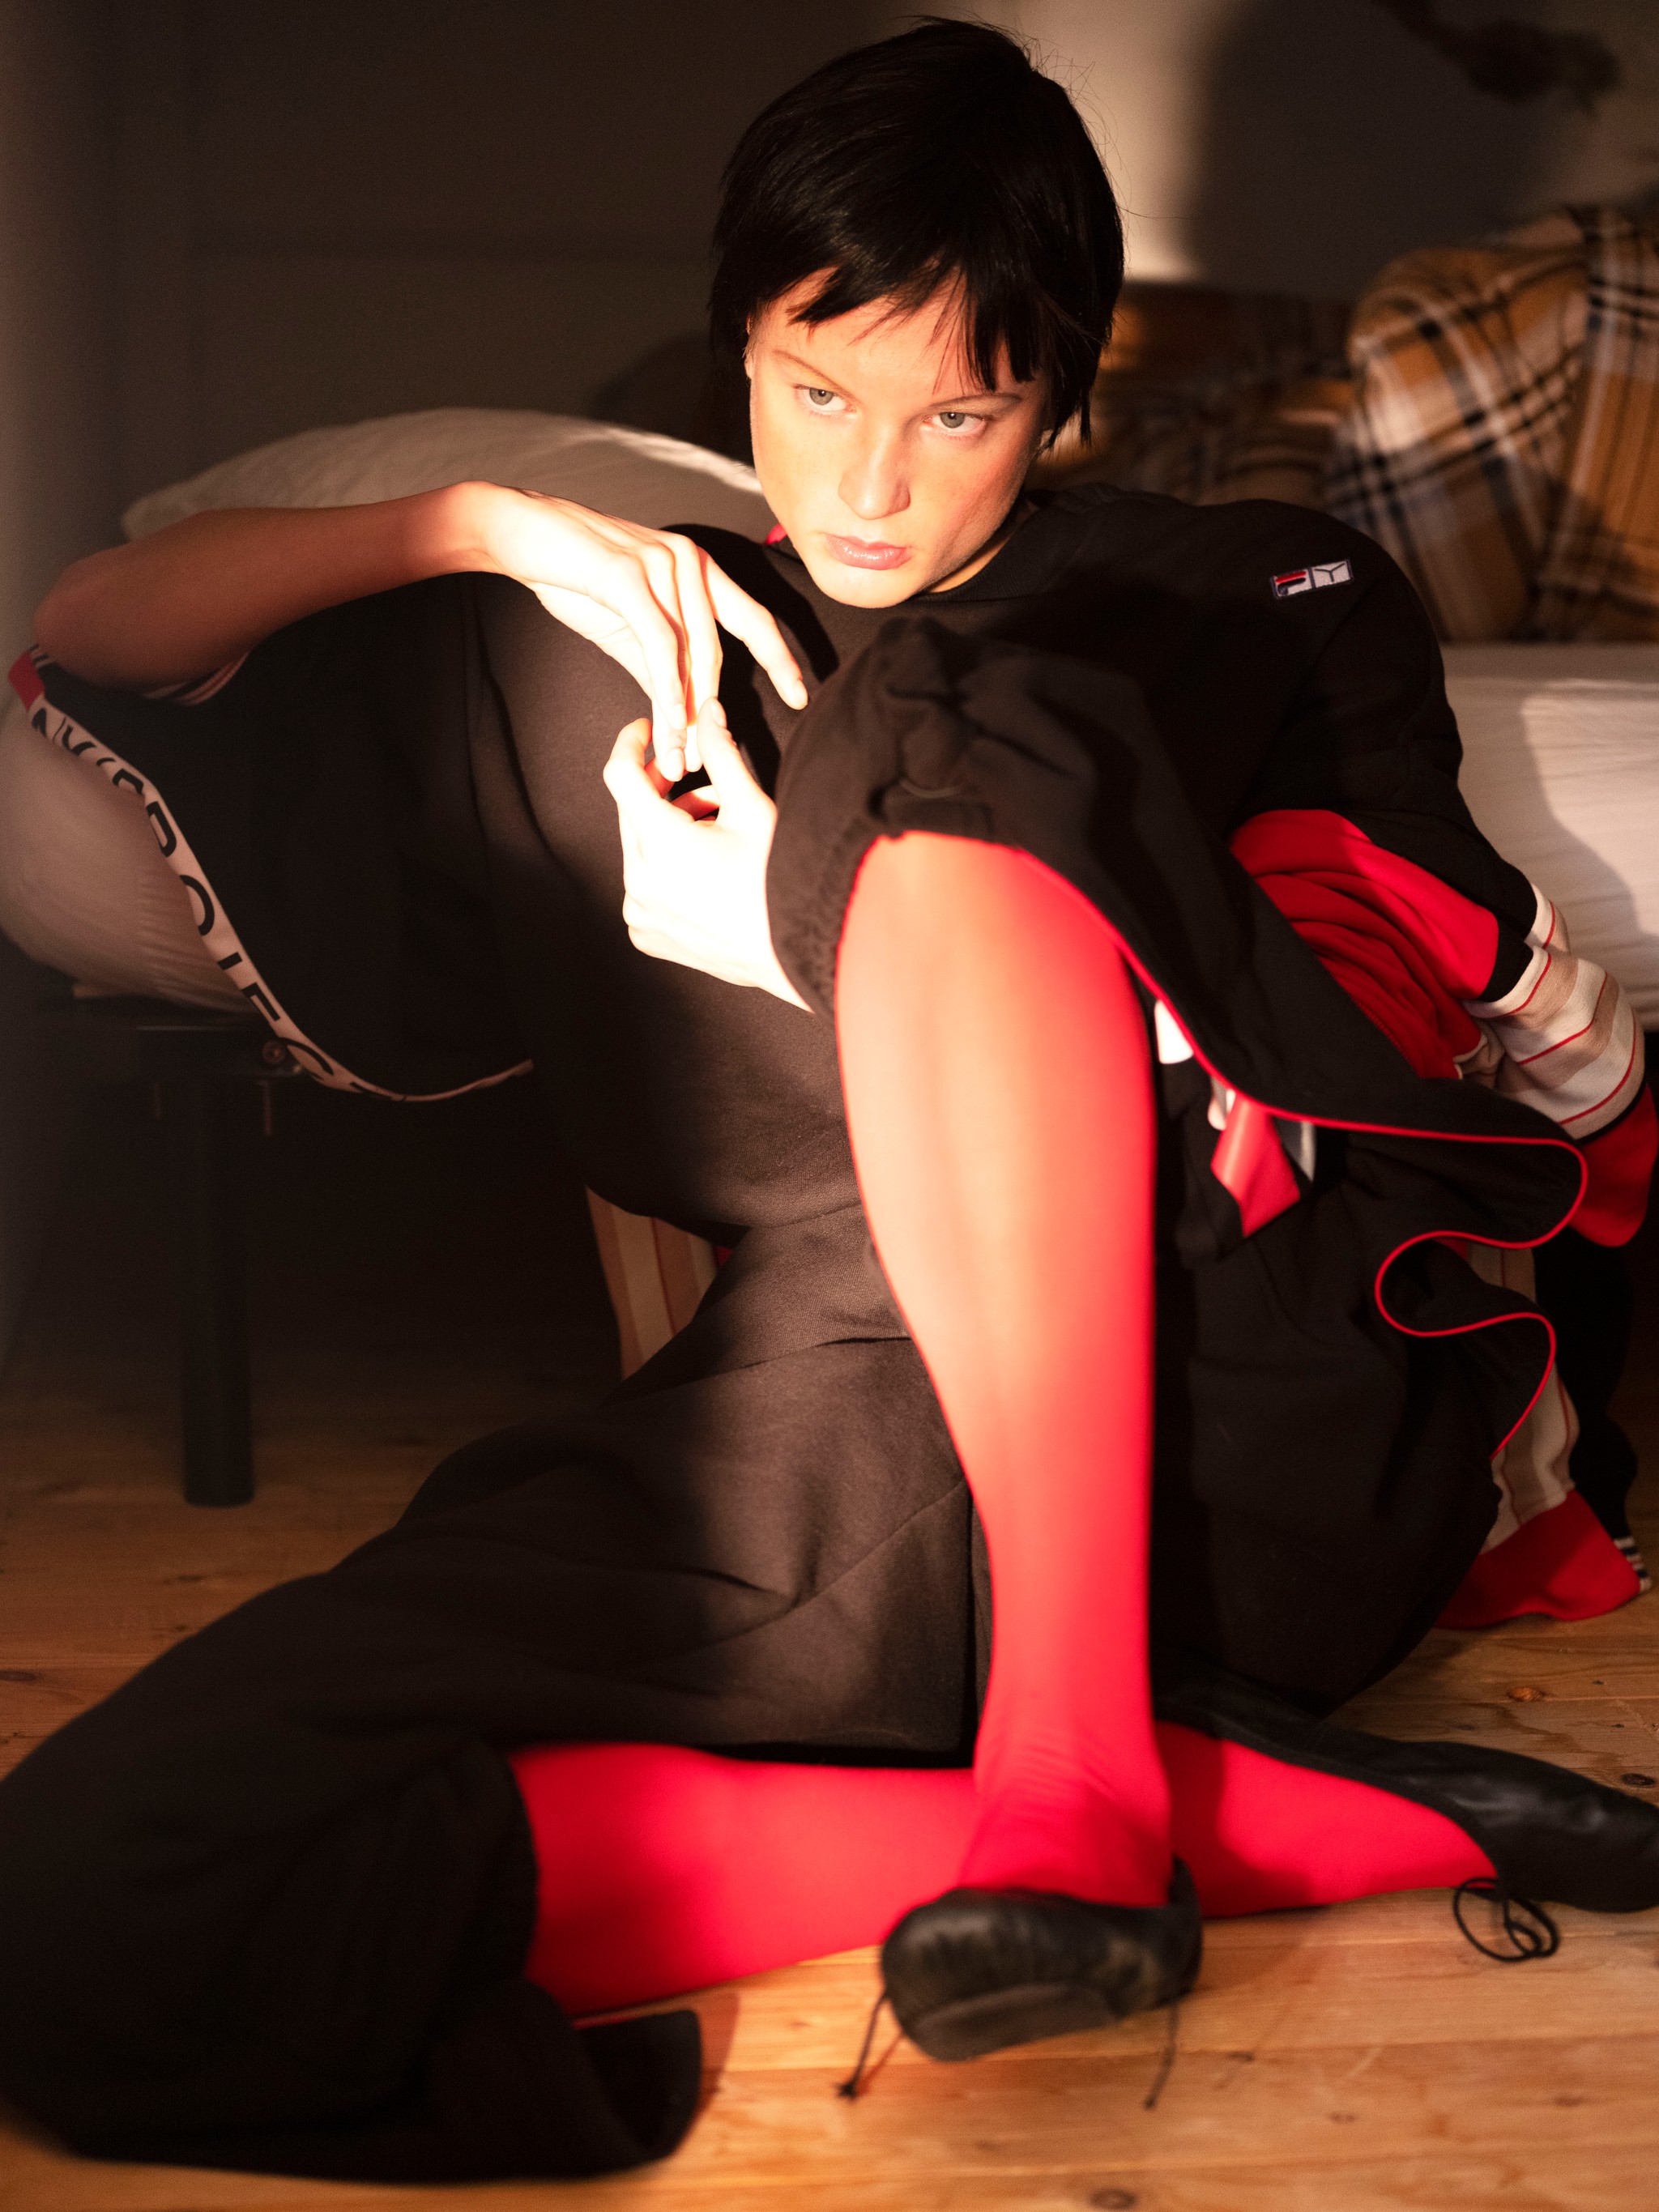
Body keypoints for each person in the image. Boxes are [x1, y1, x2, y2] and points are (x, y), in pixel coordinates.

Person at [1, 19, 1657, 2187]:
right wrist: (482, 525)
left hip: (1217, 1405)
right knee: (80, 1891)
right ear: (743, 356)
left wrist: (803, 918)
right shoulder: (658, 627)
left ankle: (1080, 1771)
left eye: (957, 413)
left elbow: (1371, 1035)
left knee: (940, 711)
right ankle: (1283, 1825)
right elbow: (88, 640)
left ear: (1058, 401)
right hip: (821, 1417)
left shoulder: (1253, 591)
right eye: (814, 391)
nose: (869, 486)